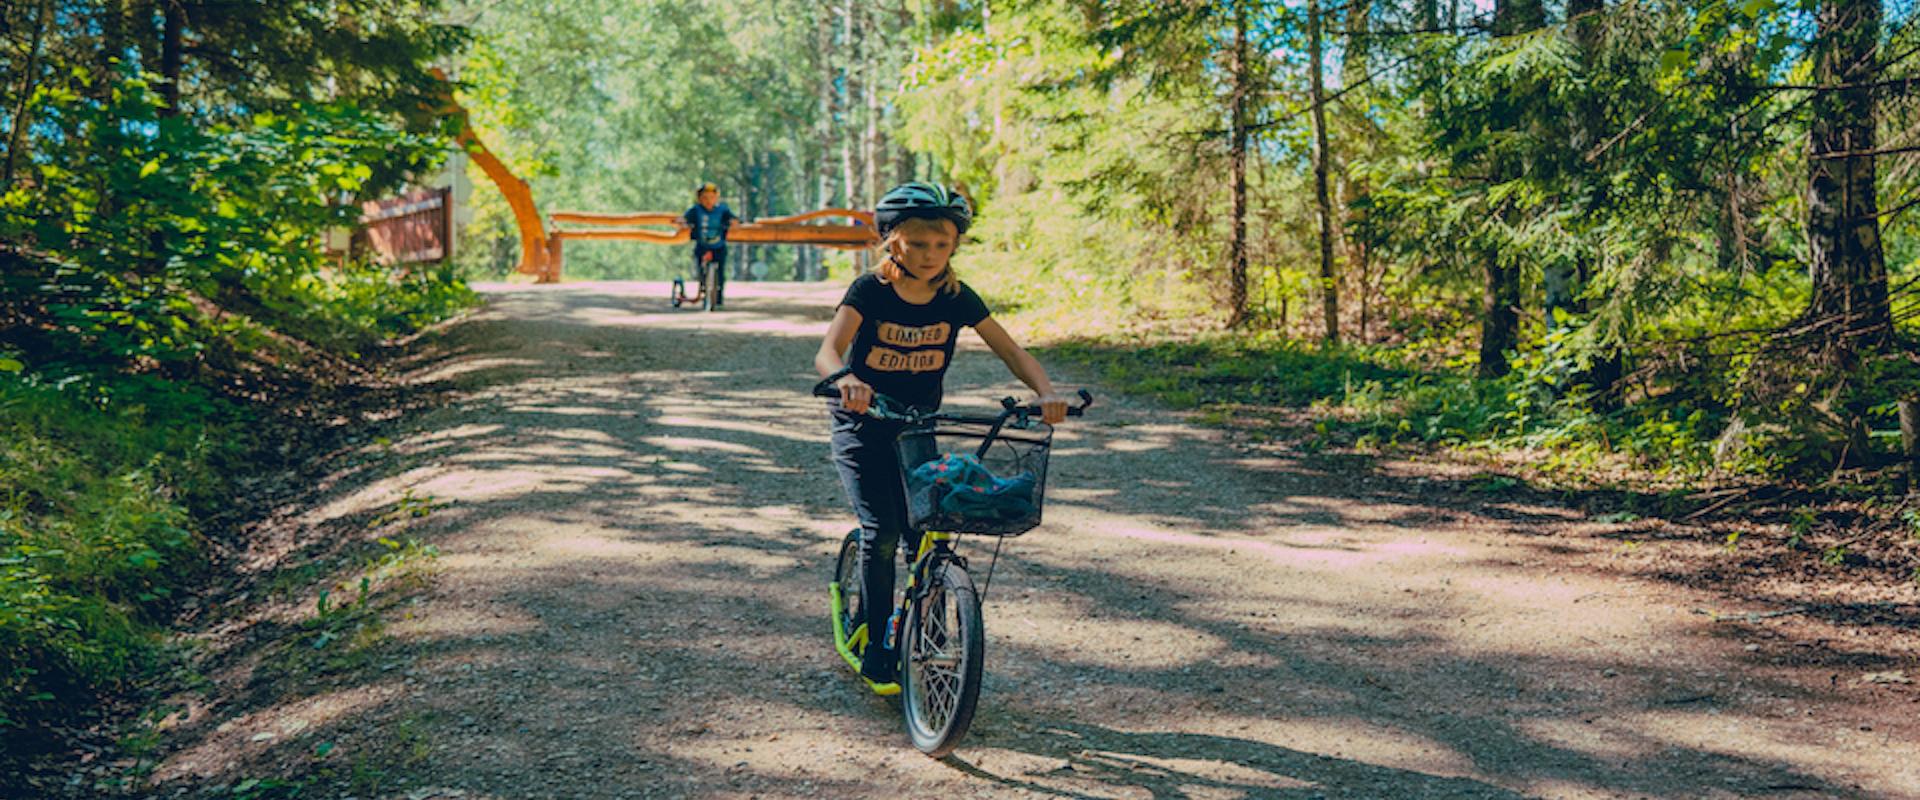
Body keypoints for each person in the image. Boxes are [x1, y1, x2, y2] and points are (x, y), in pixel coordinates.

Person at [812, 181, 1068, 694]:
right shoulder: (870, 291)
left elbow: (1012, 351)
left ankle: (926, 633)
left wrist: (1044, 391)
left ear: (954, 246)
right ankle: (879, 644)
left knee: (926, 530)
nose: (930, 254)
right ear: (892, 242)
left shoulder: (955, 297)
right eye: (918, 243)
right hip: (862, 425)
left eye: (942, 244)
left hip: (916, 426)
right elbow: (828, 351)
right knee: (883, 531)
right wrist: (846, 380)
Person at [681, 182, 739, 307]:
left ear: (716, 198)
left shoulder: (722, 210)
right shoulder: (695, 210)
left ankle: (718, 298)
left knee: (721, 273)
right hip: (702, 245)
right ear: (699, 199)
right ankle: (703, 289)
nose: (708, 201)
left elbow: (733, 218)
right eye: (705, 198)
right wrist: (682, 222)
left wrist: (734, 222)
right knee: (701, 270)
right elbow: (685, 218)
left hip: (719, 245)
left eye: (712, 197)